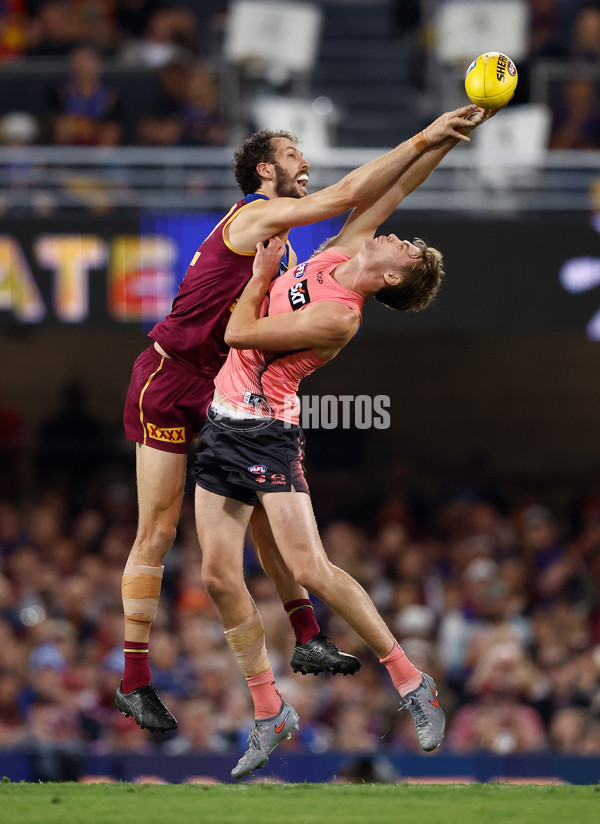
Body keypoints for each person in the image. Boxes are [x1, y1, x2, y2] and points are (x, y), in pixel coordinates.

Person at [116, 105, 479, 735]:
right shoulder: (270, 225)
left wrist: (434, 143)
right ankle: (155, 682)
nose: (304, 162)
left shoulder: (332, 294)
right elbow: (367, 192)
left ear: (390, 274)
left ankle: (372, 666)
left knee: (284, 556)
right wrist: (431, 136)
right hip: (177, 379)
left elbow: (380, 195)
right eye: (293, 154)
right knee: (183, 549)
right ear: (264, 170)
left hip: (250, 415)